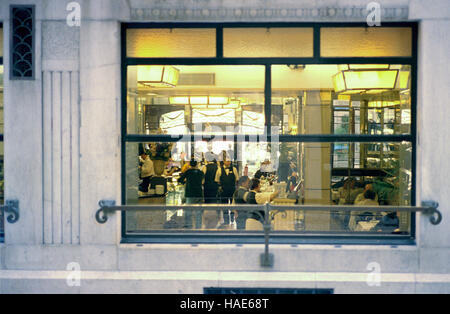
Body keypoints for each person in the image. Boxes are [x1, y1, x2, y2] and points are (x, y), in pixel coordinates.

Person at [178, 159, 205, 229]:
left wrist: (185, 183)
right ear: (197, 164)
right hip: (199, 193)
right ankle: (198, 227)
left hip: (190, 193)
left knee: (188, 211)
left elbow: (180, 180)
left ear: (190, 164)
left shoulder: (188, 172)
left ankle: (189, 226)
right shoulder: (201, 172)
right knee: (198, 212)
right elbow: (202, 181)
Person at [215, 159, 239, 226]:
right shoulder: (219, 169)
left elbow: (237, 179)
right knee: (224, 205)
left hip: (232, 189)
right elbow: (217, 180)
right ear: (224, 161)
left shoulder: (234, 169)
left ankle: (232, 219)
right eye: (226, 160)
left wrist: (236, 188)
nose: (228, 162)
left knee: (232, 204)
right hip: (223, 190)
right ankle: (226, 220)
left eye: (229, 161)